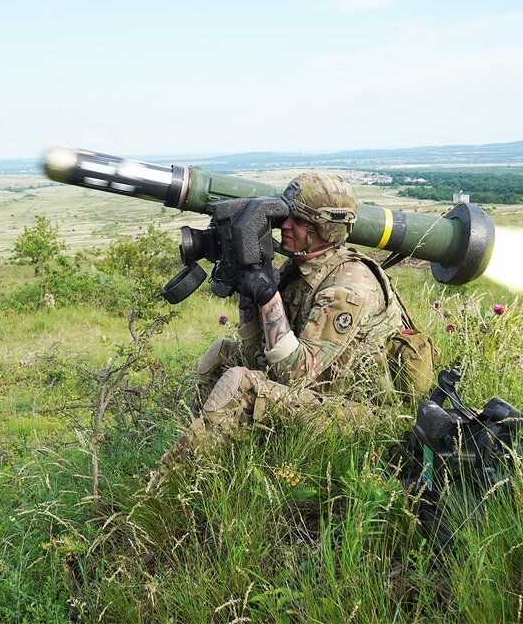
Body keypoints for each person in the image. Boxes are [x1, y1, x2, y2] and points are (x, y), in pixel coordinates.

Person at [171, 171, 432, 459]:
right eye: (285, 216)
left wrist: (268, 298)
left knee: (243, 384)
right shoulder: (300, 269)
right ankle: (205, 450)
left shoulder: (349, 285)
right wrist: (247, 296)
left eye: (298, 220)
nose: (285, 225)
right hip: (319, 391)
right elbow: (254, 351)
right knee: (221, 353)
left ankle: (166, 490)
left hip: (361, 416)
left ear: (326, 230)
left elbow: (294, 376)